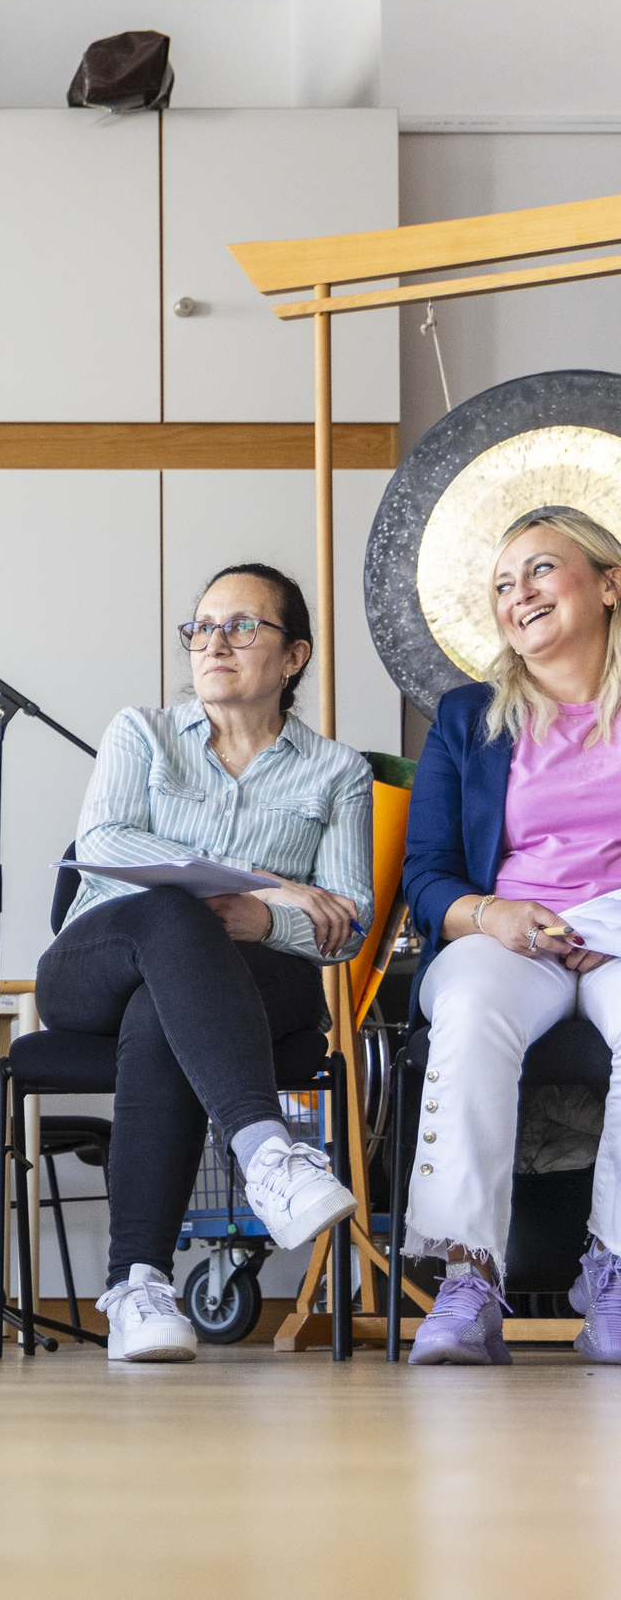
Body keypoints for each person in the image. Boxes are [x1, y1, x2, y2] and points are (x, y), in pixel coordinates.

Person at [54, 562, 369, 1364]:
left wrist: (262, 917)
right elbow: (104, 845)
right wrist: (273, 884)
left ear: (293, 655)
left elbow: (348, 922)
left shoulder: (339, 773)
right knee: (169, 911)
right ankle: (268, 1154)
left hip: (250, 981)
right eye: (202, 627)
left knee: (166, 1002)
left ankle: (141, 1286)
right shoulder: (143, 732)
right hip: (100, 958)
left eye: (240, 626)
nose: (213, 642)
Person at [399, 507, 621, 1366]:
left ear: (607, 583)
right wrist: (494, 915)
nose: (516, 595)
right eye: (502, 584)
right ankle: (468, 1276)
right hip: (510, 930)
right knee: (468, 1010)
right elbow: (427, 874)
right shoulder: (468, 717)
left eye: (538, 570)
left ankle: (611, 1272)